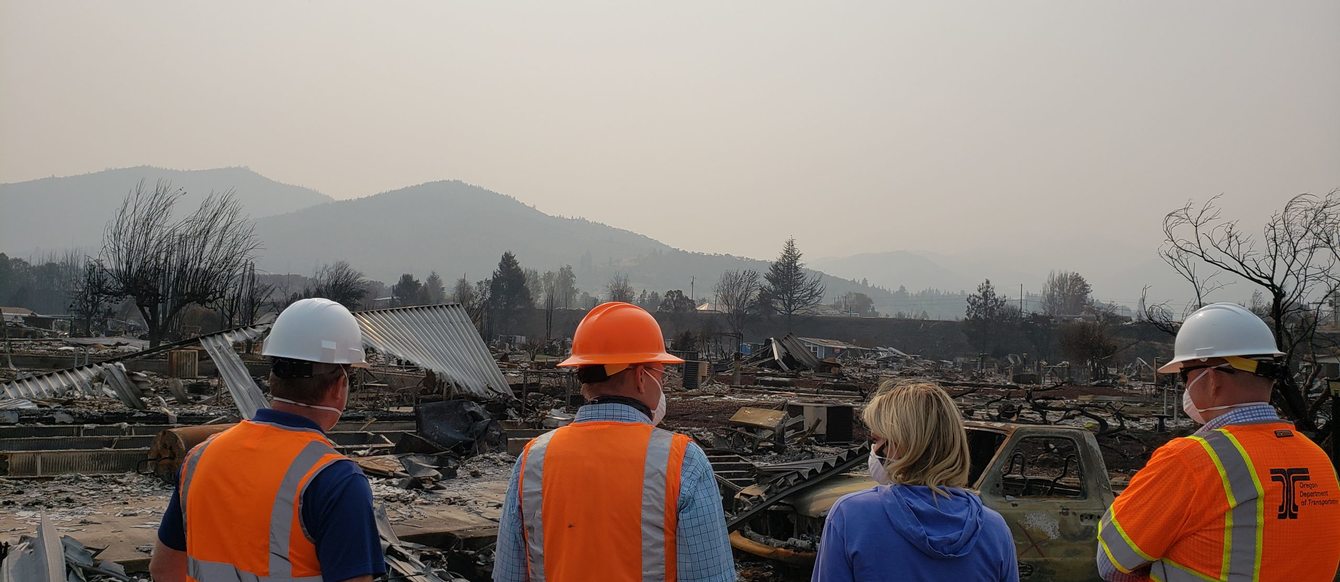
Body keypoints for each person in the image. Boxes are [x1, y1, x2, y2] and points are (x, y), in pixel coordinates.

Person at [492, 302, 735, 582]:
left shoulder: (533, 459)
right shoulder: (683, 462)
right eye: (661, 374)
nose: (664, 383)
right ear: (642, 377)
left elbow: (508, 575)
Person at [1096, 302, 1340, 581]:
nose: (1185, 387)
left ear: (1212, 379)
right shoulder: (1318, 460)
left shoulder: (1191, 460)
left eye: (1184, 375)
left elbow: (1112, 563)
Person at [149, 298, 386, 582]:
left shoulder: (199, 457)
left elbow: (163, 570)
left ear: (273, 378)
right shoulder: (335, 481)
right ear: (340, 385)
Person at [813, 381, 1019, 582]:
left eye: (876, 440)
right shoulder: (995, 530)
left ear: (900, 445)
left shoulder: (850, 516)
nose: (873, 450)